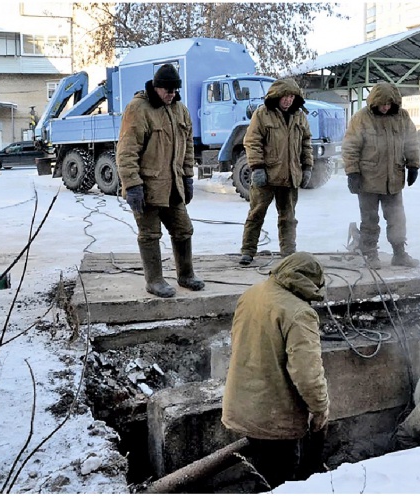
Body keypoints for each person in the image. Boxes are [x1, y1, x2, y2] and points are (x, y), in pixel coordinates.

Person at [222, 252, 330, 490]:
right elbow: (308, 376)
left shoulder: (252, 293)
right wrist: (320, 410)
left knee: (264, 470)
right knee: (281, 481)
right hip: (274, 420)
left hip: (241, 406)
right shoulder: (300, 313)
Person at [117, 63, 204, 298]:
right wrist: (132, 185)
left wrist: (187, 177)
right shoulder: (138, 109)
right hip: (147, 188)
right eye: (168, 91)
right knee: (150, 234)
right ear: (156, 87)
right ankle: (154, 280)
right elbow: (126, 151)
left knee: (184, 230)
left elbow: (188, 148)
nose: (172, 95)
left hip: (173, 185)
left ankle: (186, 275)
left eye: (175, 91)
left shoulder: (180, 110)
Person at [342, 82, 420, 269]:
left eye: (389, 104)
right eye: (382, 104)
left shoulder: (402, 117)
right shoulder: (361, 118)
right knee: (369, 220)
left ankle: (399, 254)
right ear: (374, 102)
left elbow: (412, 142)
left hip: (394, 179)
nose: (385, 108)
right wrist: (352, 172)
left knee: (397, 218)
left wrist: (413, 165)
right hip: (367, 180)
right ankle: (370, 255)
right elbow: (350, 146)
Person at [239, 78, 314, 266]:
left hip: (290, 176)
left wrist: (307, 168)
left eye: (291, 97)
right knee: (256, 214)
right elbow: (252, 141)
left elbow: (306, 143)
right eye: (285, 96)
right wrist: (257, 167)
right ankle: (248, 251)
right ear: (276, 96)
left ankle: (288, 252)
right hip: (266, 176)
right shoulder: (262, 114)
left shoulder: (300, 116)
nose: (288, 100)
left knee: (288, 217)